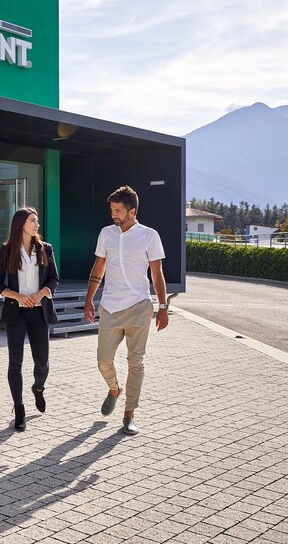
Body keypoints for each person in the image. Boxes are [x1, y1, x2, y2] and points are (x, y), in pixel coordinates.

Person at [84, 185, 169, 436]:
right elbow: (98, 268)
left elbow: (157, 273)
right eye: (112, 210)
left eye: (118, 210)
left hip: (139, 306)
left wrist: (163, 306)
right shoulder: (106, 234)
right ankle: (113, 389)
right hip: (110, 306)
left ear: (132, 211)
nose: (114, 214)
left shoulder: (149, 235)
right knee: (103, 360)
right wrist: (89, 300)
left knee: (136, 362)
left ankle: (129, 414)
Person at [0, 207, 59, 431]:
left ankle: (38, 388)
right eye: (32, 220)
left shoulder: (45, 249)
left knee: (43, 364)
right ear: (21, 224)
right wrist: (18, 296)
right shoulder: (7, 250)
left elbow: (54, 279)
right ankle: (19, 408)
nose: (37, 224)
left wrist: (39, 294)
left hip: (39, 312)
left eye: (37, 221)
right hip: (16, 312)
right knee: (15, 363)